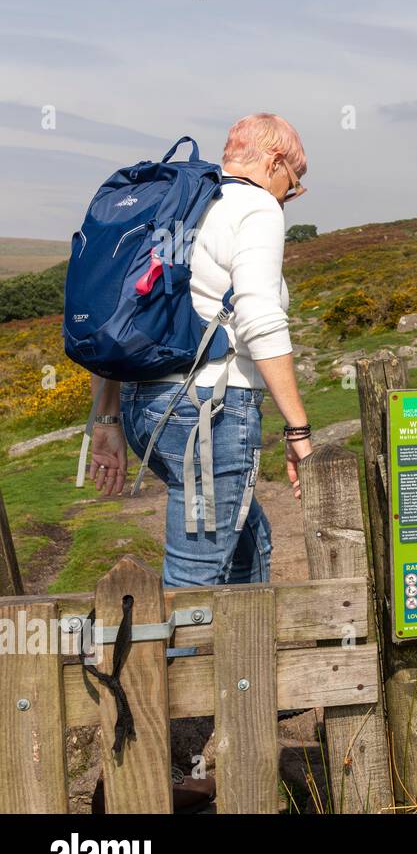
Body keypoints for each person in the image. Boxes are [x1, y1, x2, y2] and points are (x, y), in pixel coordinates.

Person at [87, 113, 313, 587]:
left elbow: (120, 312)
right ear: (274, 162)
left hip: (144, 409)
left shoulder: (182, 203)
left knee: (251, 548)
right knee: (195, 584)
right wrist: (298, 430)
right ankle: (173, 661)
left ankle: (245, 661)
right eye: (293, 183)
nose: (288, 196)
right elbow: (259, 317)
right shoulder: (254, 206)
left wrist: (107, 421)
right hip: (208, 416)